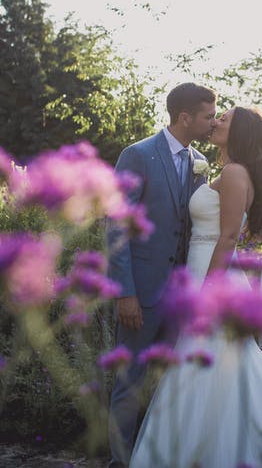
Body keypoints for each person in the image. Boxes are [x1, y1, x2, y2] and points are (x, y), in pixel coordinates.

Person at [129, 106, 262, 468]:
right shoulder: (227, 171)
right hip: (205, 270)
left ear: (240, 132)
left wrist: (206, 295)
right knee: (211, 366)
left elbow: (229, 237)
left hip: (215, 281)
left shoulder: (233, 173)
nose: (215, 122)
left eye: (224, 119)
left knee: (216, 364)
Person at [106, 82, 217, 468]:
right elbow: (117, 226)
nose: (213, 121)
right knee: (129, 384)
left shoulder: (200, 161)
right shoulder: (136, 155)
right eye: (207, 116)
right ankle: (119, 462)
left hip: (181, 296)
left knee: (174, 384)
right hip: (142, 293)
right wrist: (125, 293)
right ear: (184, 117)